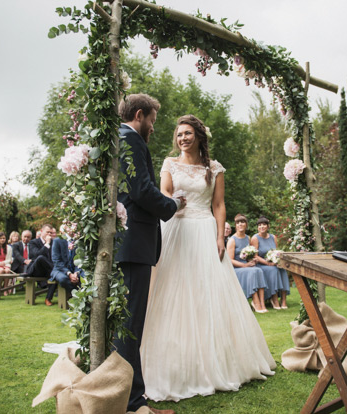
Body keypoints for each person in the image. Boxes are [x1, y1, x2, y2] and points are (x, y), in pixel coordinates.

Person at [141, 115, 275, 402]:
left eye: (188, 133)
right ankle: (173, 359)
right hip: (175, 228)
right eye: (179, 134)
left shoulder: (213, 168)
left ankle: (215, 360)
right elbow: (163, 191)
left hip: (204, 231)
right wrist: (172, 201)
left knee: (207, 292)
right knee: (171, 291)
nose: (183, 138)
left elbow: (218, 204)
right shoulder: (169, 163)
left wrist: (219, 237)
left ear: (199, 136)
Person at [113, 94, 185, 414]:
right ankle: (134, 403)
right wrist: (172, 205)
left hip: (125, 245)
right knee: (130, 328)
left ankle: (123, 395)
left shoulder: (116, 137)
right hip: (134, 244)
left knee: (123, 325)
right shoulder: (131, 140)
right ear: (139, 115)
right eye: (153, 120)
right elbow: (141, 190)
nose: (154, 128)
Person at [226, 214, 268, 313]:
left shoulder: (247, 238)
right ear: (235, 225)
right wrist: (245, 265)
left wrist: (251, 261)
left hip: (247, 266)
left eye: (243, 222)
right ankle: (255, 301)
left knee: (259, 270)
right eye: (238, 223)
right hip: (237, 269)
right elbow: (230, 260)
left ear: (246, 224)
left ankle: (262, 303)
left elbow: (249, 255)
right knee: (253, 272)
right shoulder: (232, 240)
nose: (240, 224)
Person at [251, 216, 290, 309]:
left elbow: (276, 252)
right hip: (261, 264)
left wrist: (275, 260)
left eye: (264, 224)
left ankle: (283, 300)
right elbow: (255, 256)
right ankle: (274, 298)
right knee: (273, 270)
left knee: (282, 269)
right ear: (257, 227)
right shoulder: (255, 238)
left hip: (272, 263)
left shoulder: (273, 237)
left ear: (268, 226)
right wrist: (267, 263)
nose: (262, 227)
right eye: (259, 225)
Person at [44, 228, 83, 307]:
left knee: (84, 276)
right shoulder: (57, 241)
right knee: (63, 279)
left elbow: (81, 259)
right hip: (59, 270)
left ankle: (82, 298)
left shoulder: (80, 241)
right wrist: (69, 274)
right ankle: (78, 297)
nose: (73, 229)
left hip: (75, 269)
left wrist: (76, 272)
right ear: (66, 228)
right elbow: (56, 261)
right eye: (71, 226)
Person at [26, 224, 56, 290]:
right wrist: (47, 244)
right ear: (41, 231)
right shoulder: (33, 242)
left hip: (48, 271)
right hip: (36, 270)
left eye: (51, 233)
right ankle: (55, 273)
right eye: (47, 232)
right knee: (40, 258)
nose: (49, 234)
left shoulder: (54, 243)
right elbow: (37, 255)